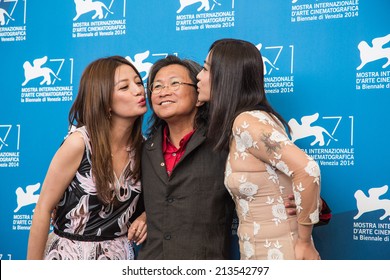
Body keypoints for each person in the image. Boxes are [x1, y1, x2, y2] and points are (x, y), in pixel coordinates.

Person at [137, 55, 298, 260]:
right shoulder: (145, 149)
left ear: (198, 94)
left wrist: (311, 205)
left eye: (174, 83)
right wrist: (144, 215)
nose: (163, 91)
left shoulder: (225, 143)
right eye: (157, 86)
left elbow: (277, 183)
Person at [196, 38, 322, 260]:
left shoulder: (247, 122)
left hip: (283, 253)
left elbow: (307, 169)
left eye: (205, 69)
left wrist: (304, 242)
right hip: (257, 253)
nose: (198, 76)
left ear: (226, 76)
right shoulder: (248, 121)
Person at [27, 56, 147, 260]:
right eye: (124, 87)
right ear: (104, 100)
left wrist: (146, 218)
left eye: (138, 82)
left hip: (118, 257)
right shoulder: (79, 143)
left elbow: (160, 201)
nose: (138, 90)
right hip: (69, 256)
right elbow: (43, 209)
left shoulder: (145, 148)